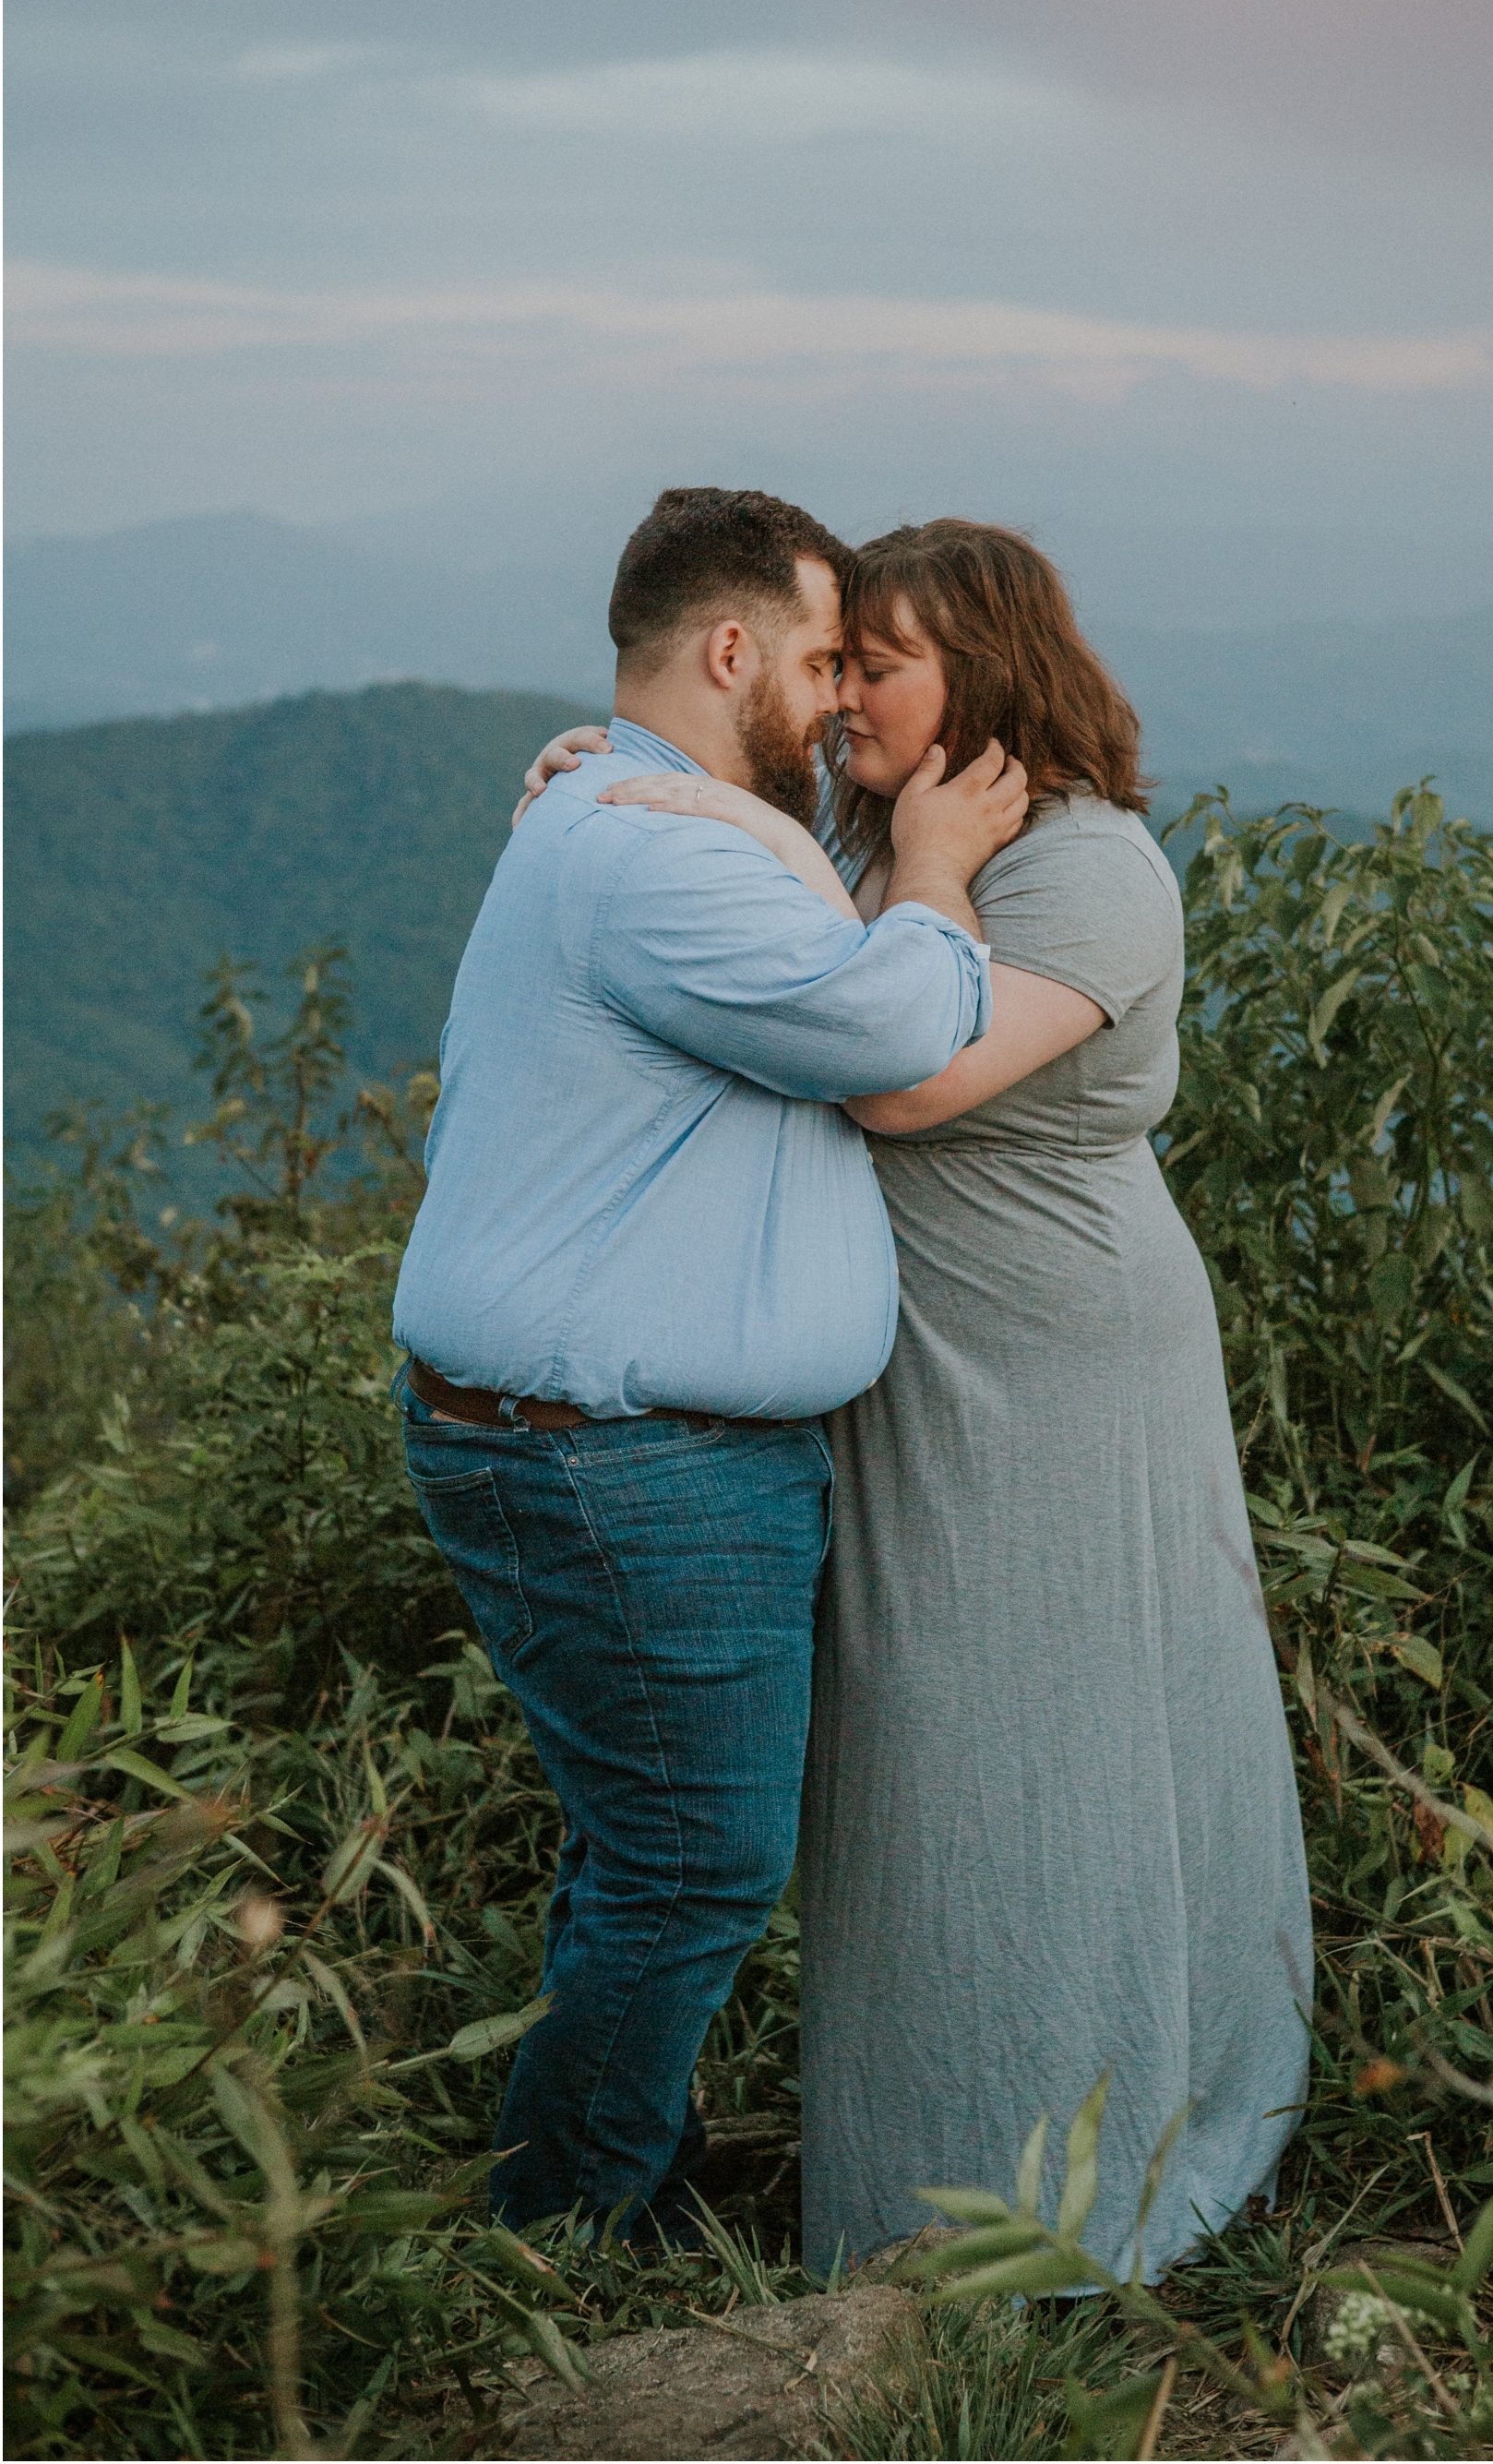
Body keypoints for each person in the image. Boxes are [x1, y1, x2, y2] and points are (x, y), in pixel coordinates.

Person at [520, 518, 1311, 2283]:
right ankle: (919, 2163)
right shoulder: (894, 834)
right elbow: (811, 911)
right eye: (844, 656)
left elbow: (903, 1079)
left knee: (1041, 1754)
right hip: (915, 1364)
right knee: (915, 1775)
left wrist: (903, 859)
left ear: (993, 669)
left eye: (883, 660)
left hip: (1057, 1364)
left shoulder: (1093, 867)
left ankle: (1053, 2184)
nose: (849, 691)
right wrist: (656, 788)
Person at [394, 487, 1027, 2246]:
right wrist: (944, 873)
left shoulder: (649, 817)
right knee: (695, 1866)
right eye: (826, 657)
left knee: (646, 1844)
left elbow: (800, 907)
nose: (839, 699)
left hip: (616, 1443)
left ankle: (607, 2172)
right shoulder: (653, 852)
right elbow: (896, 1020)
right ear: (733, 648)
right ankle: (560, 2236)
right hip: (625, 1456)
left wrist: (767, 825)